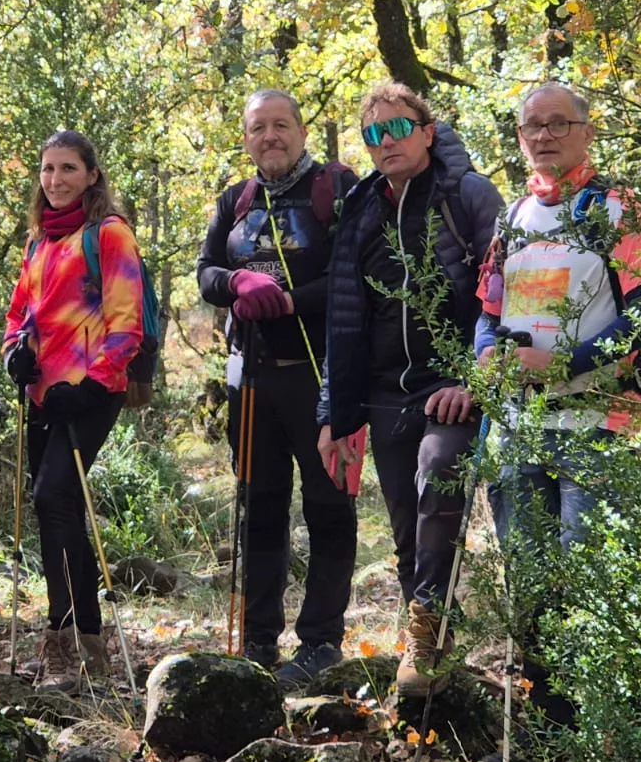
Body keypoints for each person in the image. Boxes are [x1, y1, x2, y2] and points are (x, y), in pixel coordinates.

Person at [475, 83, 641, 725]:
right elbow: (489, 310)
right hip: (520, 427)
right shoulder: (510, 219)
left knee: (592, 584)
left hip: (600, 426)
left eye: (559, 124)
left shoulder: (619, 207)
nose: (544, 135)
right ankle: (551, 729)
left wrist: (562, 364)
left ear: (587, 131)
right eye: (532, 125)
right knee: (530, 586)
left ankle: (612, 731)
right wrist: (487, 356)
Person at [317, 82, 503, 697]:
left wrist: (472, 378)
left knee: (437, 479)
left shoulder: (467, 195)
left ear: (427, 131)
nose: (385, 142)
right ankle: (428, 645)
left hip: (451, 385)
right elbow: (342, 317)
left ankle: (427, 631)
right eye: (373, 134)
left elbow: (500, 293)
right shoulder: (363, 207)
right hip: (383, 392)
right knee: (404, 527)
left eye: (398, 128)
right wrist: (334, 413)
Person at [196, 88, 359, 688]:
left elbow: (355, 276)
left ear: (301, 130)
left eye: (281, 125)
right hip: (253, 382)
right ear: (246, 137)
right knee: (259, 508)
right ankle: (259, 639)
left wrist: (291, 300)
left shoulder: (335, 191)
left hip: (322, 380)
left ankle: (320, 641)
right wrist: (237, 280)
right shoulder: (235, 201)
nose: (271, 136)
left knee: (329, 509)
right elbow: (205, 274)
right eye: (258, 128)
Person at [2, 130, 143, 692]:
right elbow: (20, 315)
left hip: (89, 392)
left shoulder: (109, 234)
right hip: (43, 394)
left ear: (90, 175)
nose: (55, 180)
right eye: (47, 169)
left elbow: (126, 321)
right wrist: (17, 354)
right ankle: (89, 643)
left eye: (67, 169)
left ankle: (60, 642)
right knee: (61, 513)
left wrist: (90, 385)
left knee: (53, 497)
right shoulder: (40, 241)